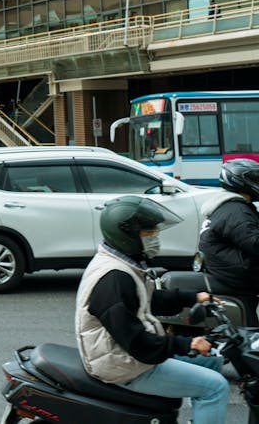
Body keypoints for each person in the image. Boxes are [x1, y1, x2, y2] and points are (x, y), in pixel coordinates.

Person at [76, 196, 228, 423]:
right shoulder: (114, 279)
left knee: (212, 362)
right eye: (149, 233)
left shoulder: (122, 263)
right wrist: (188, 343)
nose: (155, 237)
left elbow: (146, 298)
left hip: (130, 355)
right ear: (126, 234)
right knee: (216, 387)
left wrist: (192, 297)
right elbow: (137, 343)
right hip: (123, 366)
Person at [198, 158, 259, 325]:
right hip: (236, 275)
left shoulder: (227, 206)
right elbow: (253, 242)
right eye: (255, 178)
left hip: (225, 269)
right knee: (251, 332)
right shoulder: (237, 210)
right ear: (240, 180)